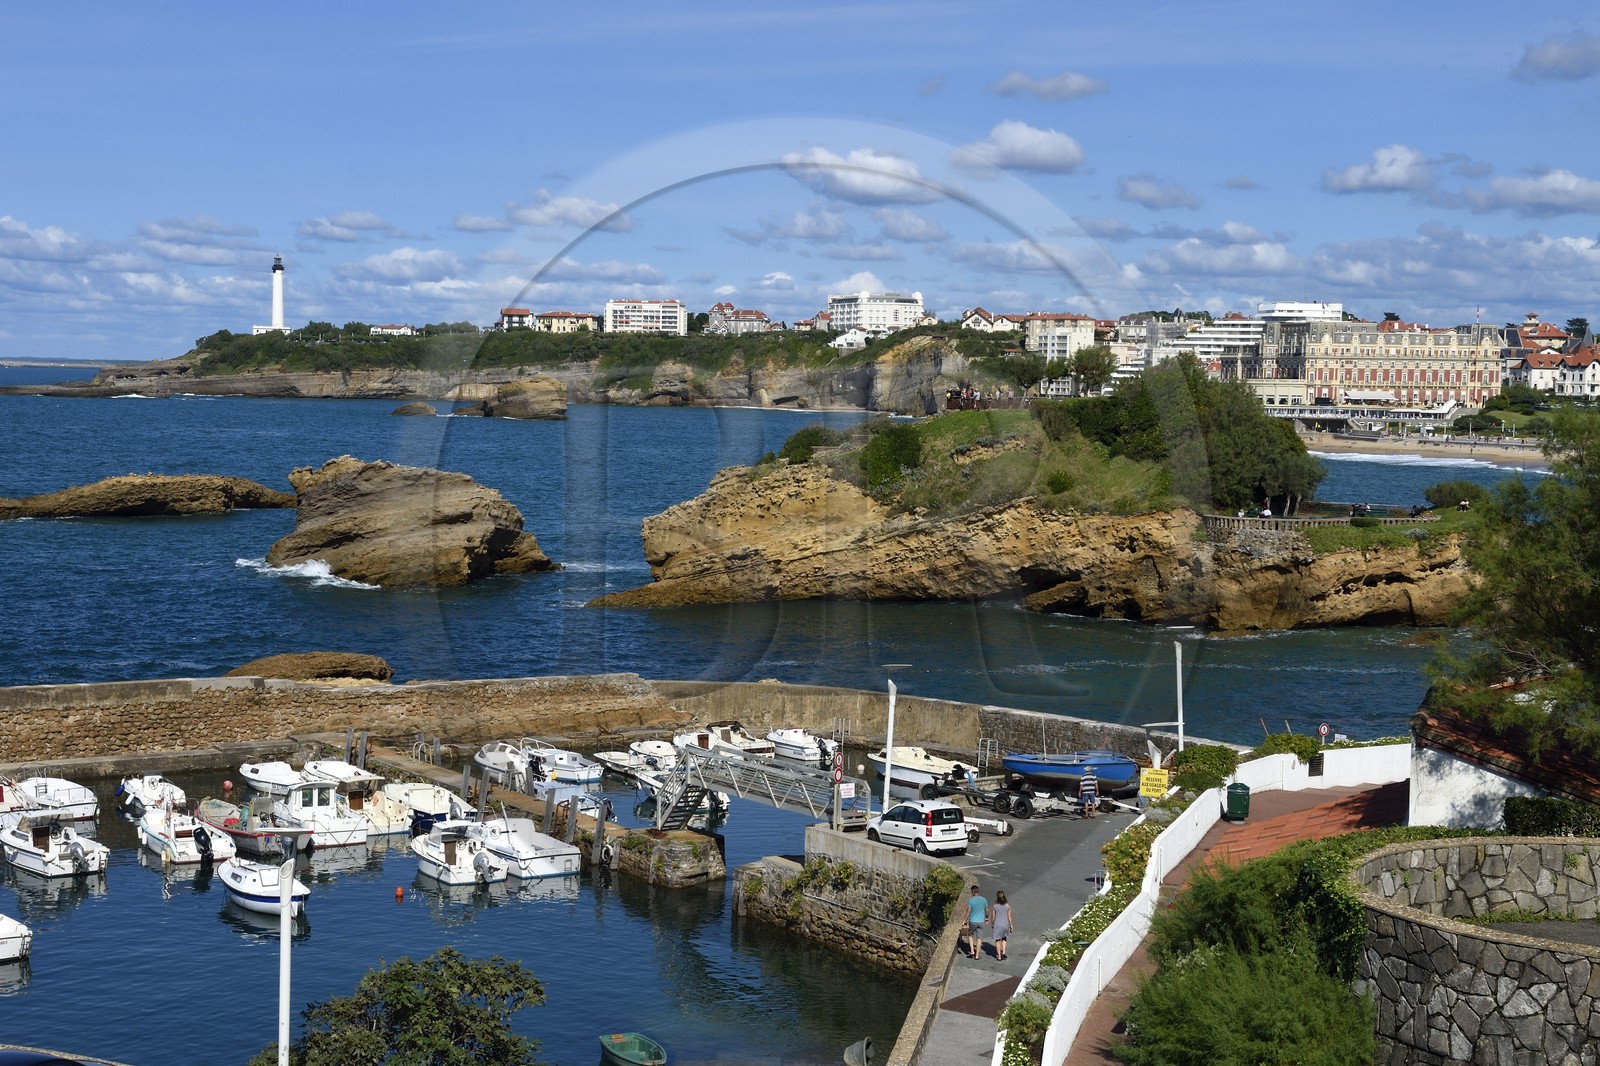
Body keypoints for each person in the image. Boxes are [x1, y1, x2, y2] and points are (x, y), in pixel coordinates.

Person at [988, 890, 1014, 962]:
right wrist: (1011, 925)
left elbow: (993, 917)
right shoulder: (1007, 906)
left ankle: (999, 956)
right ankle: (1004, 952)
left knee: (998, 939)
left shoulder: (995, 906)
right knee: (1004, 938)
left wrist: (992, 924)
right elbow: (1009, 916)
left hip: (998, 924)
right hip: (1005, 924)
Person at [965, 884, 988, 959]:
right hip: (981, 921)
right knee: (979, 938)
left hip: (972, 921)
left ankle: (972, 951)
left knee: (970, 935)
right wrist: (986, 917)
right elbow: (987, 910)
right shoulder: (984, 899)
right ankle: (977, 955)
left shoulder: (971, 900)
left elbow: (968, 911)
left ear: (973, 892)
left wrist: (964, 920)